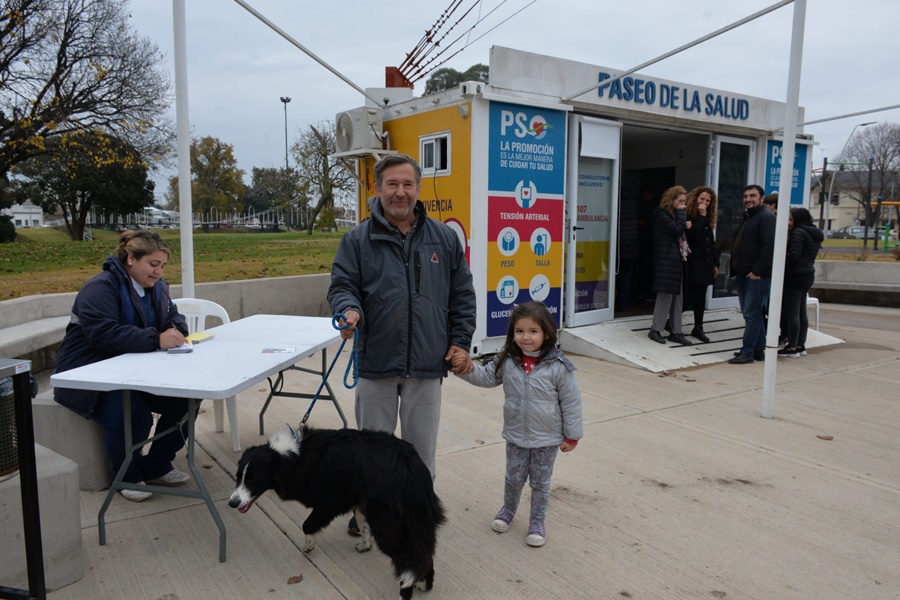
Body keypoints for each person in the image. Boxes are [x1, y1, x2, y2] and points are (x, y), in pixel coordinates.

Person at [328, 154, 477, 532]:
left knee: (420, 455)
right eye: (392, 184)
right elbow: (343, 285)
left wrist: (460, 341)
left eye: (408, 184)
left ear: (418, 188)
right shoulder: (356, 240)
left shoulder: (444, 239)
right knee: (372, 454)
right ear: (378, 188)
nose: (400, 192)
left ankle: (415, 514)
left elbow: (462, 295)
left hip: (427, 365)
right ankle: (366, 516)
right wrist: (348, 310)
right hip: (376, 362)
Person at [53, 230, 194, 502]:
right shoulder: (100, 288)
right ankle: (127, 475)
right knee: (133, 412)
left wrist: (175, 331)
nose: (158, 272)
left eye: (163, 266)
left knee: (187, 400)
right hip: (88, 375)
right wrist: (156, 338)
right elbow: (102, 333)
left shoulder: (159, 289)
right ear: (130, 259)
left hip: (134, 371)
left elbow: (174, 318)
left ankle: (157, 464)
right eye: (153, 265)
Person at [453, 301, 582, 548]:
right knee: (513, 478)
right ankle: (508, 510)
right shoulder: (508, 360)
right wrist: (463, 368)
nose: (526, 337)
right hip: (516, 436)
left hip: (548, 439)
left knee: (540, 483)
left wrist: (572, 436)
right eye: (520, 331)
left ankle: (536, 521)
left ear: (546, 333)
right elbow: (486, 376)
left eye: (533, 331)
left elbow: (572, 402)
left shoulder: (558, 366)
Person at [728, 184, 776, 364]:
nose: (748, 199)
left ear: (762, 198)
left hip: (756, 277)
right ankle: (758, 351)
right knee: (754, 314)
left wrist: (757, 271)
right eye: (746, 196)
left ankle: (747, 353)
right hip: (744, 274)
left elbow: (769, 247)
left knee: (752, 314)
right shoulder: (750, 217)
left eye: (752, 196)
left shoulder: (766, 218)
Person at [647, 185, 692, 346]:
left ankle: (676, 331)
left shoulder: (674, 215)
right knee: (665, 296)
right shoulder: (661, 215)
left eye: (684, 202)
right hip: (666, 260)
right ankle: (656, 329)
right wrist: (682, 215)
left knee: (678, 298)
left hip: (677, 260)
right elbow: (676, 230)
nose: (683, 205)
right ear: (670, 200)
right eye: (680, 201)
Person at [779, 207, 823, 358]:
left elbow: (793, 256)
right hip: (807, 274)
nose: (789, 222)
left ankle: (792, 347)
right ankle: (800, 345)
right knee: (801, 312)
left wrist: (780, 255)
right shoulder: (814, 233)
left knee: (792, 313)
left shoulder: (799, 232)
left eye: (791, 219)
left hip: (795, 275)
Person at [684, 186, 720, 343]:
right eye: (702, 199)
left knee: (700, 297)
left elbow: (710, 242)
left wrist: (716, 263)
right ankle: (670, 322)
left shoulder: (707, 218)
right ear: (695, 199)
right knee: (691, 295)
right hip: (693, 262)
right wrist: (702, 216)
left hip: (706, 263)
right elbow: (693, 236)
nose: (705, 203)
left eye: (708, 201)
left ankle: (698, 327)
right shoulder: (689, 215)